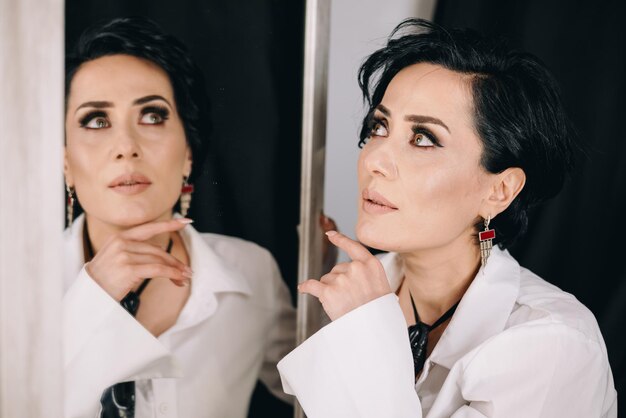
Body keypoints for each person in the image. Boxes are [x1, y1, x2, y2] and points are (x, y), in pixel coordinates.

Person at [277, 19, 617, 418]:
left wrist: (365, 334)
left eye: (423, 138)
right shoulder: (351, 291)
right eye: (379, 126)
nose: (375, 159)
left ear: (500, 190)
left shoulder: (553, 344)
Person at [63, 17, 295, 417]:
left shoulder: (252, 274)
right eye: (97, 121)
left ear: (188, 152)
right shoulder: (16, 288)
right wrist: (88, 300)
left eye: (152, 116)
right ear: (66, 163)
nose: (126, 146)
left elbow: (323, 394)